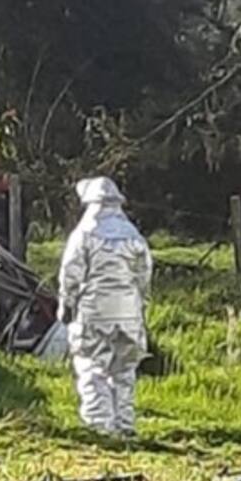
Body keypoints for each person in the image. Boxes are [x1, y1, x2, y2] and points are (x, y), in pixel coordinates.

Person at [58, 176, 153, 437]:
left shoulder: (85, 233)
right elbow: (144, 274)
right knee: (124, 371)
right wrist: (141, 303)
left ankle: (100, 425)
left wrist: (66, 303)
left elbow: (70, 273)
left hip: (94, 312)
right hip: (129, 313)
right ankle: (124, 423)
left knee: (92, 366)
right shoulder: (133, 235)